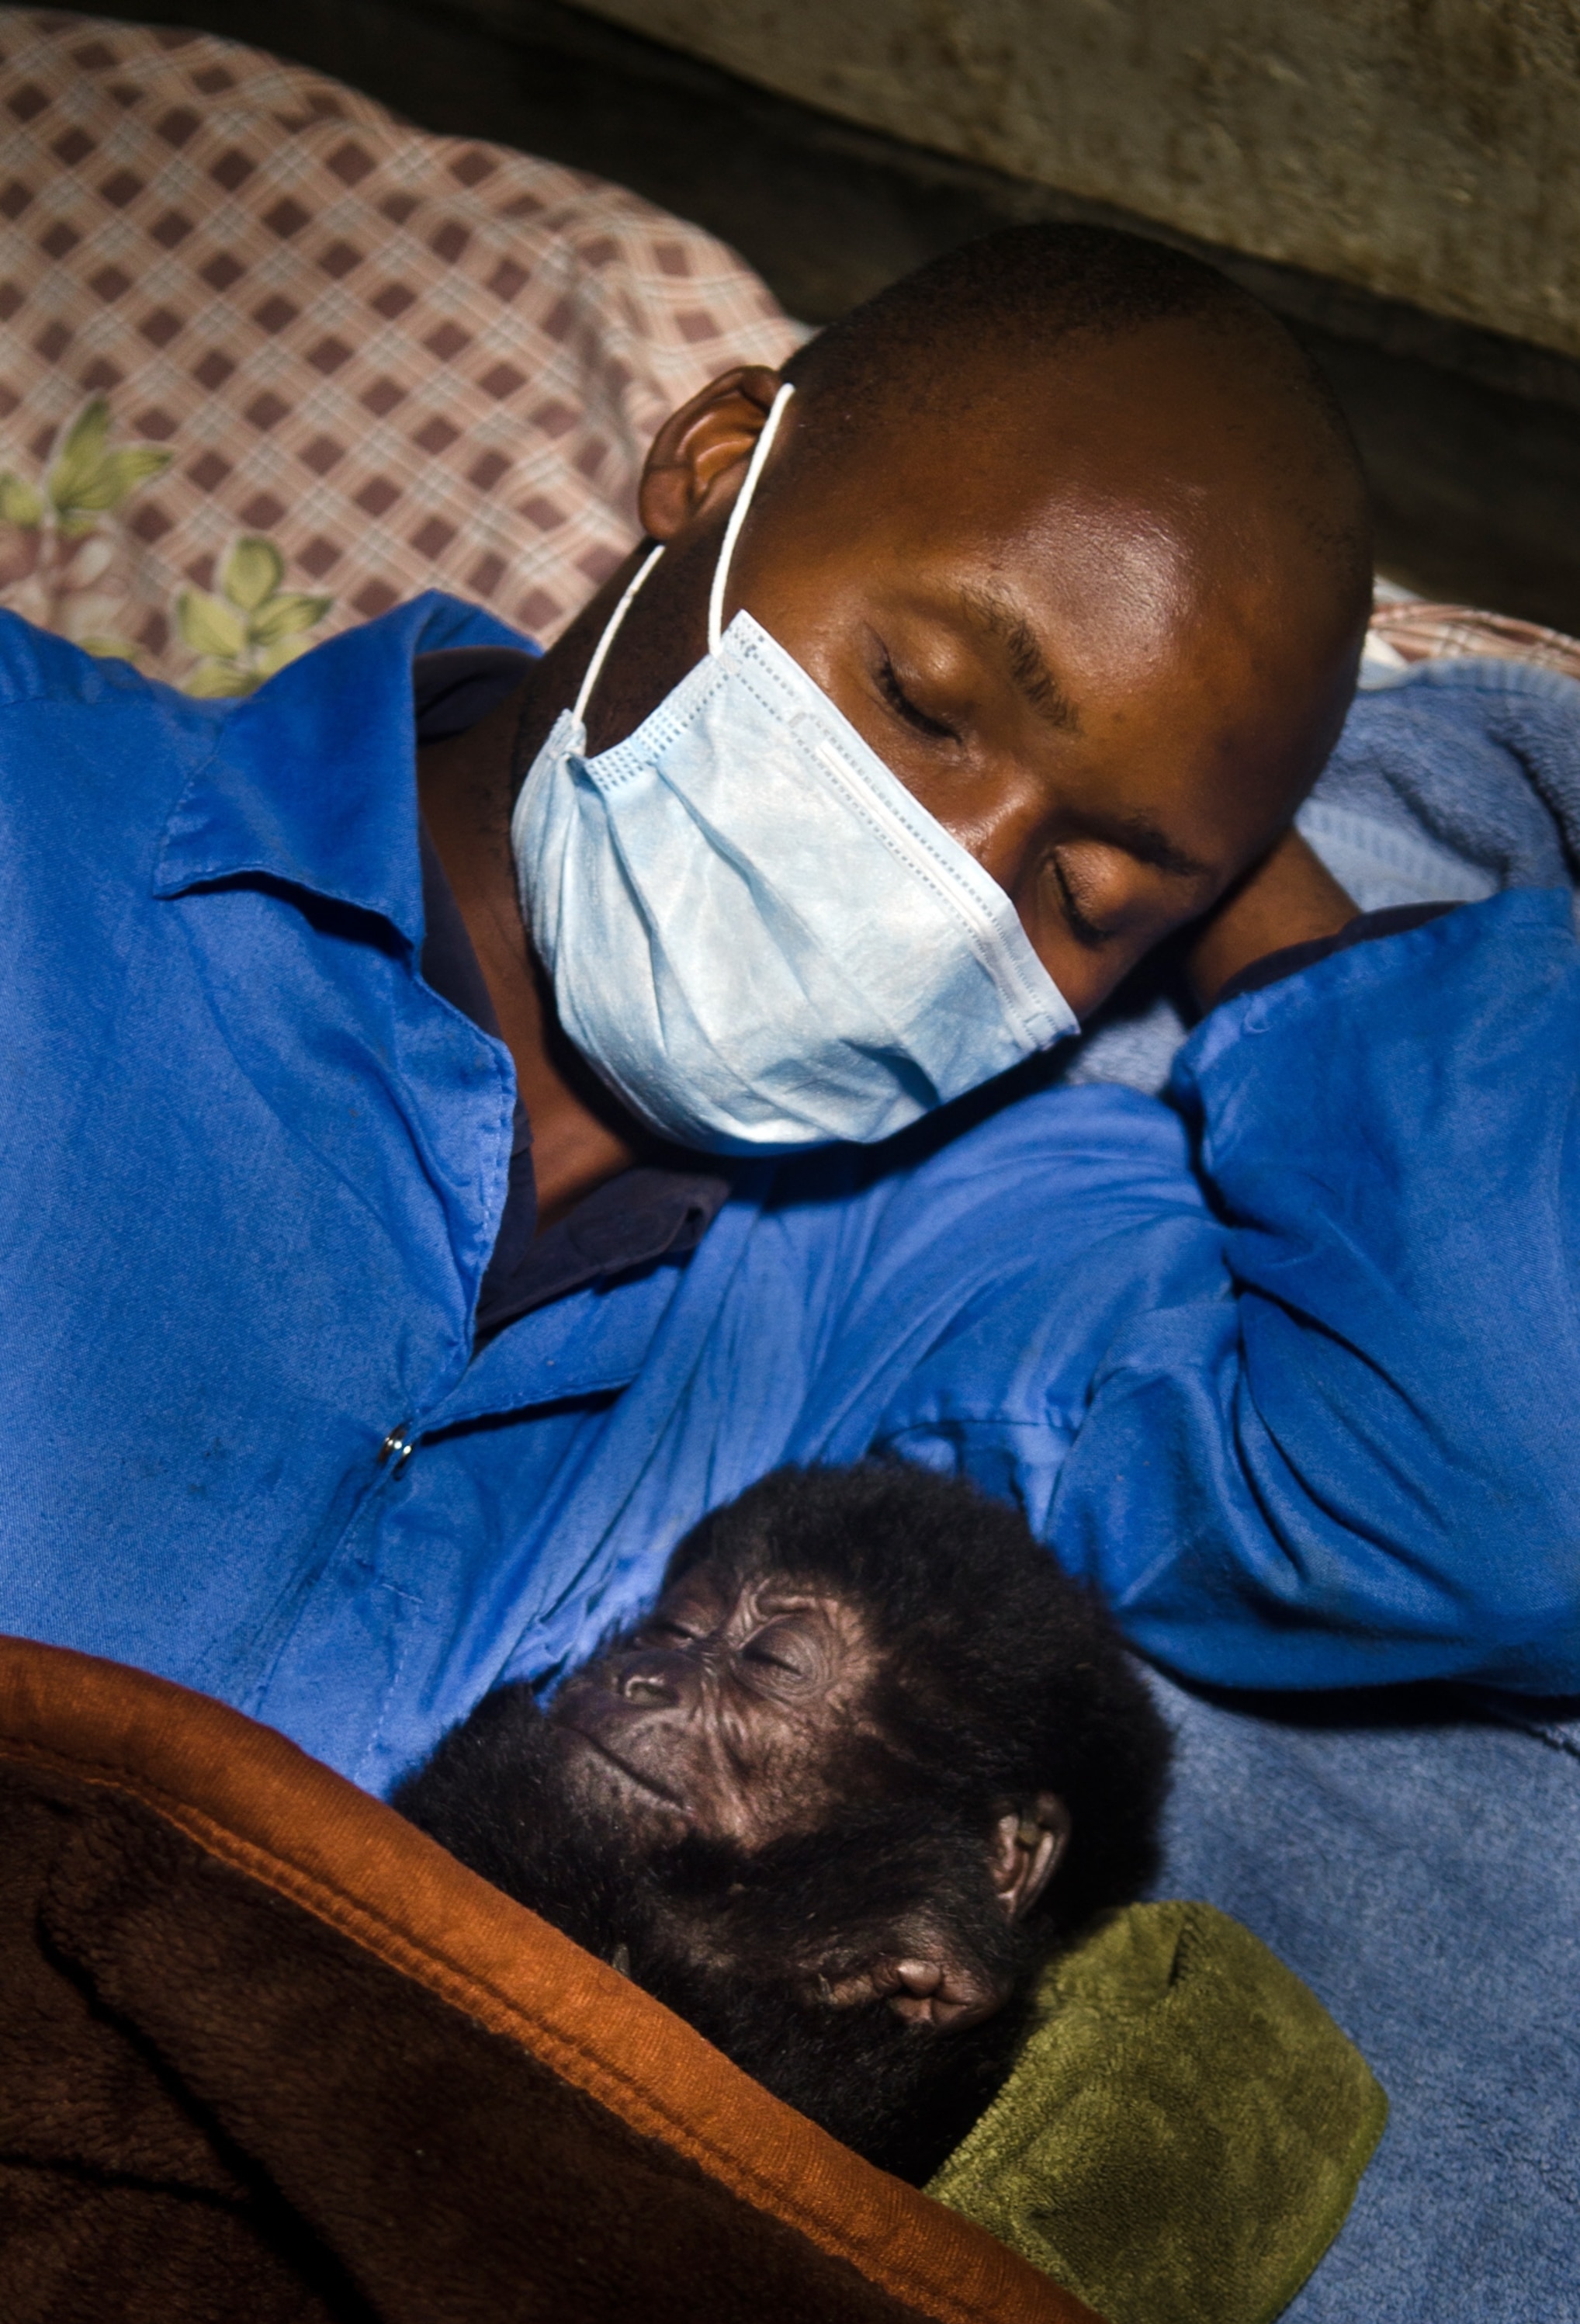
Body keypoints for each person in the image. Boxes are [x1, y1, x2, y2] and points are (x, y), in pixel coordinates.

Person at [2, 223, 1575, 1796]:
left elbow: (1514, 1495)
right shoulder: (48, 808)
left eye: (1086, 896)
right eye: (922, 702)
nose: (951, 878)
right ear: (716, 465)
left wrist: (1229, 833)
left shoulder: (926, 1262)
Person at [395, 1459, 1171, 2183]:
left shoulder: (1049, 2128)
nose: (644, 1678)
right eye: (668, 1631)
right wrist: (735, 1941)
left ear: (1002, 1862)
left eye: (774, 1666)